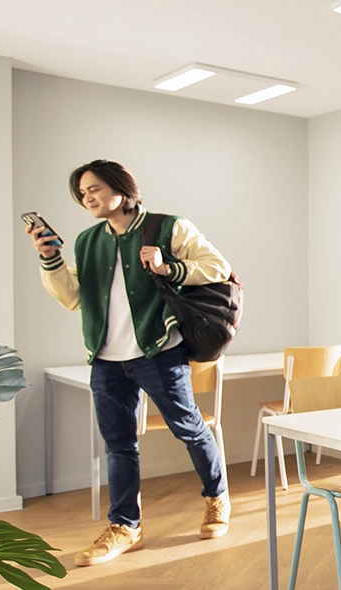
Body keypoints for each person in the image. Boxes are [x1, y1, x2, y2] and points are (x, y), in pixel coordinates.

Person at [28, 159, 231, 567]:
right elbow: (73, 297)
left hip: (158, 351)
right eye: (83, 193)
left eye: (95, 188)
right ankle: (125, 526)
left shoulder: (169, 227)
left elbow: (217, 267)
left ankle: (216, 498)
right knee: (119, 445)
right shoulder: (87, 241)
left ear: (122, 188)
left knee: (190, 428)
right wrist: (50, 258)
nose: (88, 197)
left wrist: (167, 267)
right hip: (106, 359)